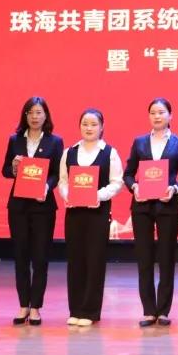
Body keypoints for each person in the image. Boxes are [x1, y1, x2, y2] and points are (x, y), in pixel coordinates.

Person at [123, 97, 178, 327]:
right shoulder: (139, 142)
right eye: (153, 112)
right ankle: (149, 310)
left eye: (161, 112)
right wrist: (134, 186)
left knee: (166, 258)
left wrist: (174, 189)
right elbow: (128, 174)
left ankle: (163, 310)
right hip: (142, 207)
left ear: (170, 116)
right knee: (144, 259)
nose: (157, 116)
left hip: (167, 206)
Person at [0, 96, 64, 326]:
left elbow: (57, 173)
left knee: (40, 257)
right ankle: (23, 305)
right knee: (20, 256)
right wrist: (14, 168)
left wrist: (46, 186)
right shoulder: (15, 139)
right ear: (25, 115)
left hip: (42, 206)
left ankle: (36, 306)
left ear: (46, 115)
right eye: (31, 112)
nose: (35, 117)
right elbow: (5, 170)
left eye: (39, 112)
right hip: (18, 206)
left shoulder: (55, 142)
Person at [58, 108, 123, 327]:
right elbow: (63, 181)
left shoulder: (110, 153)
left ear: (101, 127)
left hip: (98, 213)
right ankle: (75, 309)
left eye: (94, 124)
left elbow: (117, 182)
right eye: (85, 124)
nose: (89, 128)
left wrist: (97, 196)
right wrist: (68, 195)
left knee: (95, 261)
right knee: (75, 260)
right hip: (74, 213)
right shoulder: (69, 152)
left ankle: (90, 311)